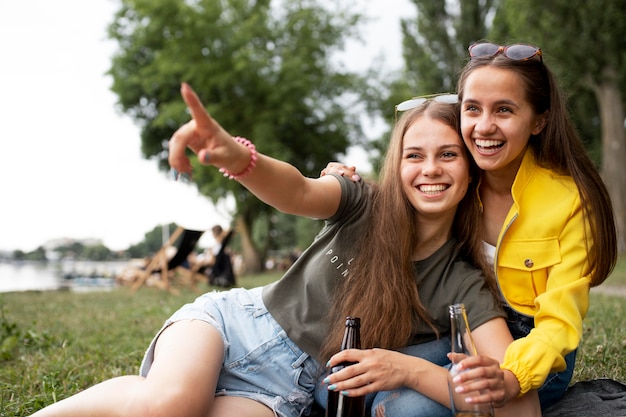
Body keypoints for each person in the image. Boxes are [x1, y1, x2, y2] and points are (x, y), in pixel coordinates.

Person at [29, 83, 538, 417]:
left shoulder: (461, 281)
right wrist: (234, 154)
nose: (430, 169)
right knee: (171, 406)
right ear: (396, 165)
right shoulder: (363, 203)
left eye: (448, 155)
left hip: (285, 391)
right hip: (236, 325)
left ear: (471, 168)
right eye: (414, 155)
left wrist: (411, 371)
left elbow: (510, 384)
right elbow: (296, 190)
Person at [323, 41, 618, 412]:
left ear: (539, 120)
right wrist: (346, 179)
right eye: (472, 109)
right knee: (357, 380)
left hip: (530, 351)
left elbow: (559, 324)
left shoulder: (570, 201)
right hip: (458, 329)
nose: (484, 126)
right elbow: (407, 191)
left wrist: (513, 376)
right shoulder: (457, 175)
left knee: (417, 405)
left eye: (504, 110)